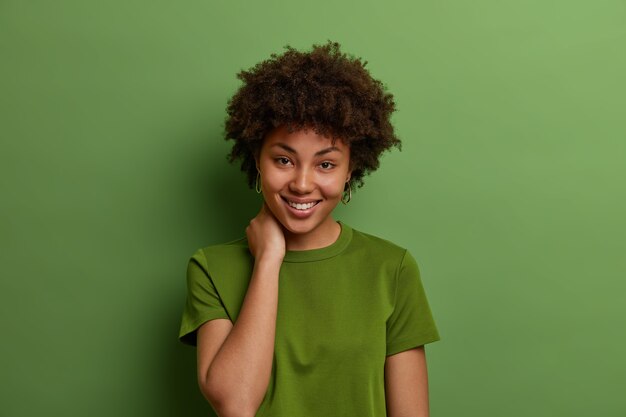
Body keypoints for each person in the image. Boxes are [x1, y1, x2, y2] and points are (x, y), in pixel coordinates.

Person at [179, 40, 440, 417]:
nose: (302, 184)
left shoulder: (391, 268)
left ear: (351, 169)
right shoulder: (211, 269)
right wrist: (268, 259)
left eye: (326, 164)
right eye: (284, 159)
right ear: (257, 159)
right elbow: (235, 405)